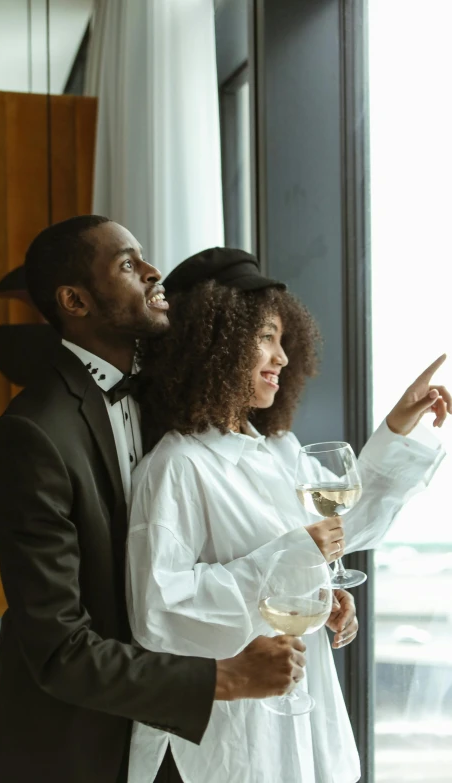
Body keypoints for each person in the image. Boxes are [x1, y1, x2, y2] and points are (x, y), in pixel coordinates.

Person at [0, 217, 310, 783]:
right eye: (128, 264)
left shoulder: (171, 398)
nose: (154, 272)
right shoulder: (32, 434)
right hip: (71, 746)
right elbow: (60, 647)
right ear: (74, 300)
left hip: (169, 743)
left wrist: (302, 588)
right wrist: (224, 678)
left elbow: (201, 539)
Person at [126, 247, 450, 783]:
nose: (282, 358)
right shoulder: (177, 467)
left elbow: (341, 533)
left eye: (282, 340)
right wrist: (294, 558)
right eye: (265, 338)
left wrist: (317, 593)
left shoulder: (277, 449)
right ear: (214, 344)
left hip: (302, 706)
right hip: (235, 727)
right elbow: (160, 612)